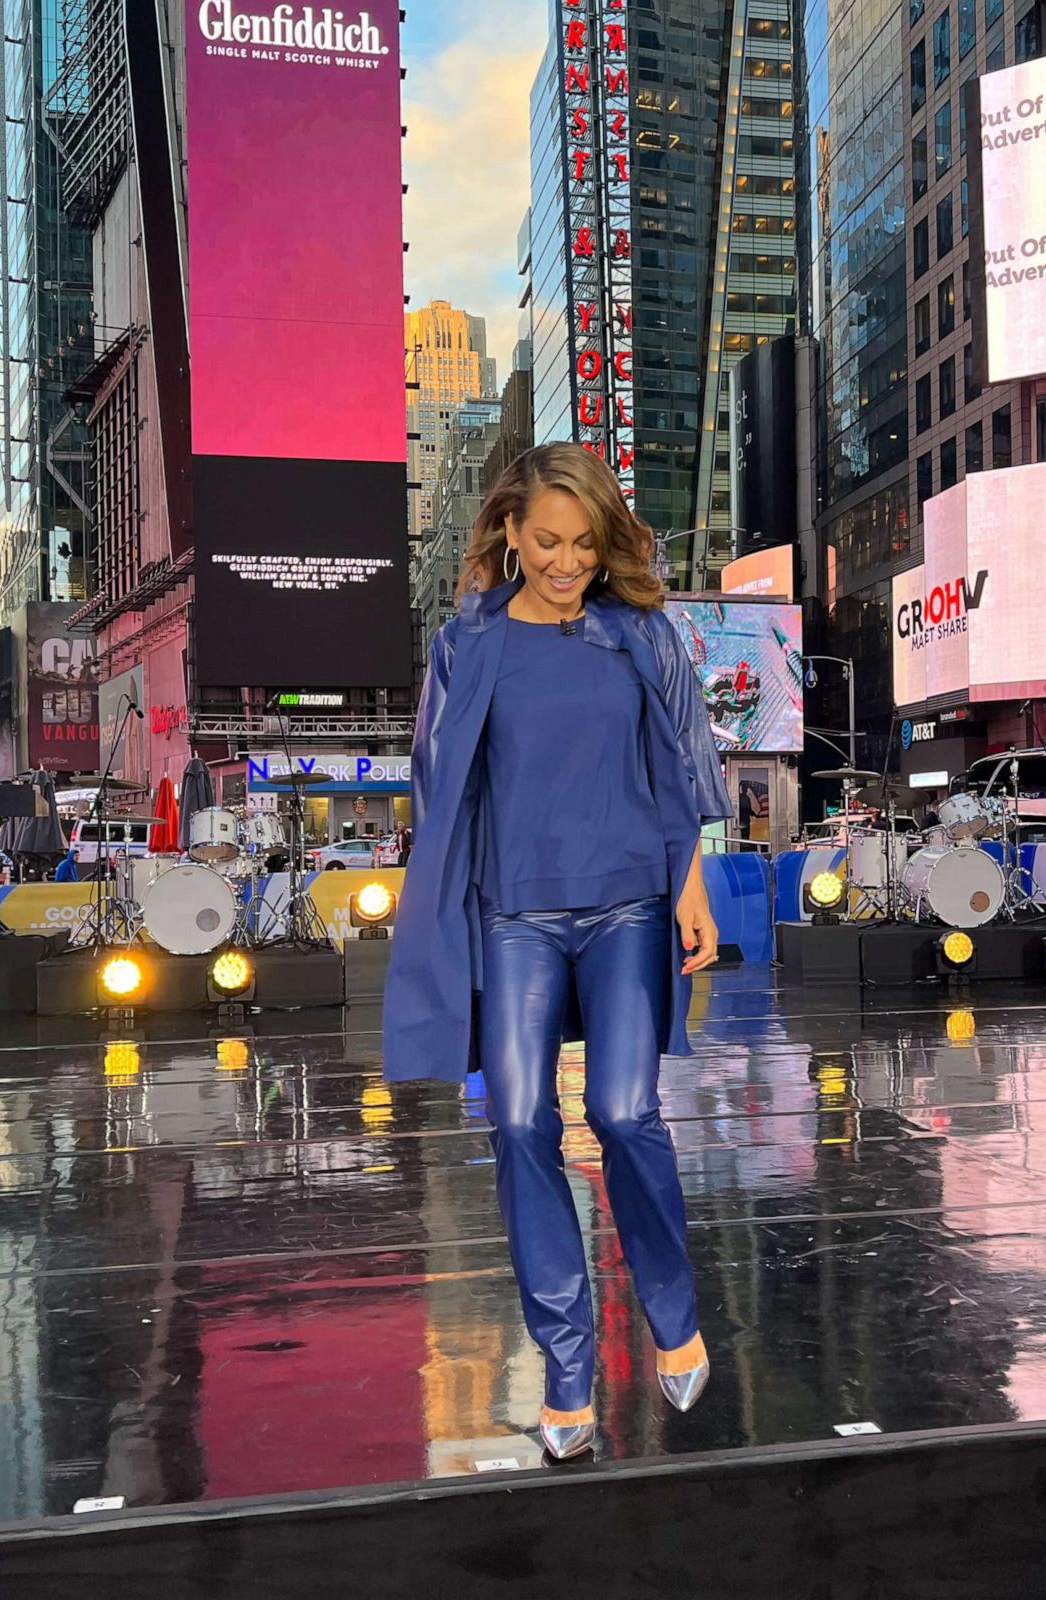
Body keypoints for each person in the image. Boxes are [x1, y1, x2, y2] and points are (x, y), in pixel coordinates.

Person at [382, 443, 733, 1461]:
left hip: (628, 901)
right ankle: (568, 1364)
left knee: (625, 1111)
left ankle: (672, 1309)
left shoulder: (642, 635)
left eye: (585, 543)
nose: (567, 560)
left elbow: (680, 767)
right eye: (547, 541)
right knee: (522, 1122)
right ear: (507, 531)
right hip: (514, 914)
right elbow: (443, 787)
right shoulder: (467, 642)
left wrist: (693, 882)